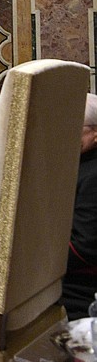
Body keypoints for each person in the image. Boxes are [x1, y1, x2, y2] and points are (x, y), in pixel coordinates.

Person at [61, 94, 97, 319]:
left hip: (80, 289)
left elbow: (84, 246)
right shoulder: (77, 162)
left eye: (75, 126)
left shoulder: (92, 175)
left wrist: (37, 264)